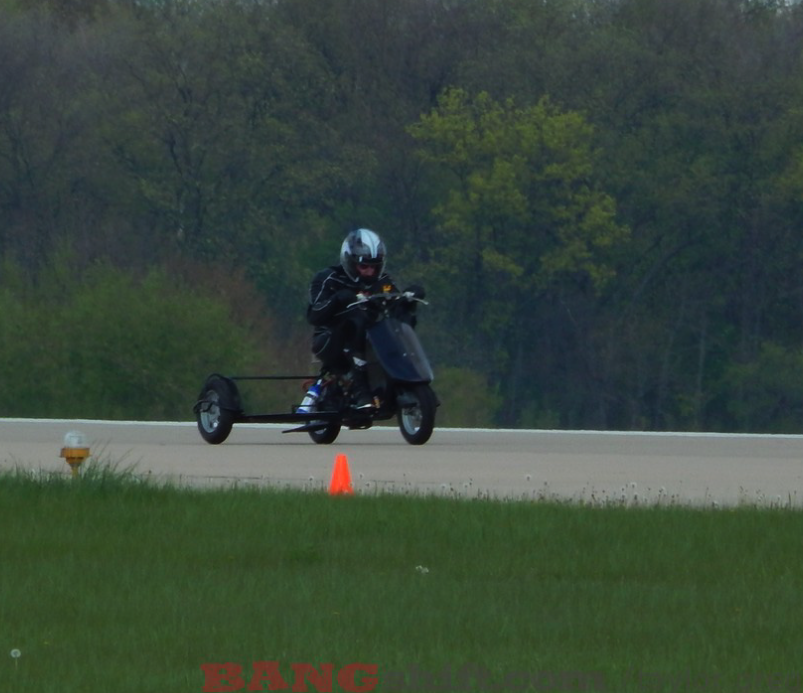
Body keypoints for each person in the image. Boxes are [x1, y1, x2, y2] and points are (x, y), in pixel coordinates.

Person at [306, 228, 423, 409]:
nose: (370, 272)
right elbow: (314, 315)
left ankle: (403, 371)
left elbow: (393, 301)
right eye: (364, 266)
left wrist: (409, 298)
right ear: (350, 261)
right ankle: (360, 388)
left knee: (402, 313)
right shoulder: (328, 278)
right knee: (357, 318)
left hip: (370, 340)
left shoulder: (382, 281)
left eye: (374, 266)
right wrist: (337, 299)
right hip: (329, 340)